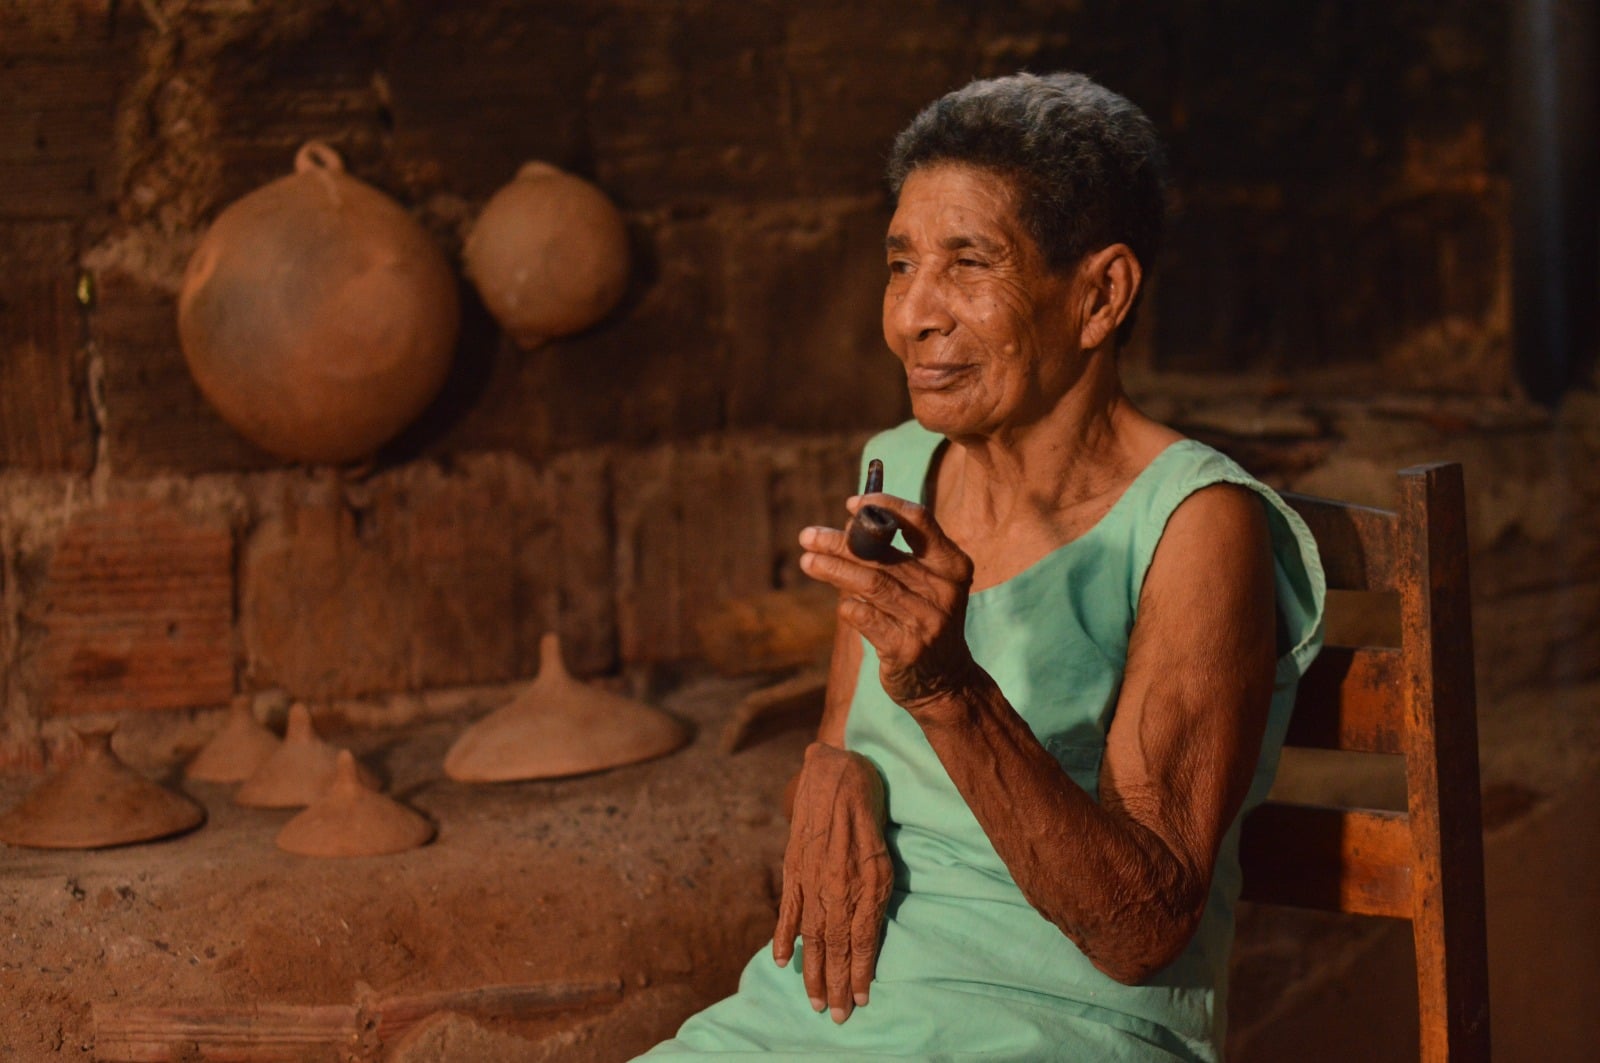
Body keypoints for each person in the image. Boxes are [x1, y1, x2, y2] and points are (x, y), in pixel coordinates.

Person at [639, 71, 1324, 1062]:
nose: (913, 314)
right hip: (828, 1006)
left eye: (967, 264)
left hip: (1052, 1023)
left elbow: (1142, 928)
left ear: (1098, 294)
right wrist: (829, 767)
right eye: (900, 263)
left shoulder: (1195, 523)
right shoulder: (898, 464)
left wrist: (951, 691)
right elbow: (843, 728)